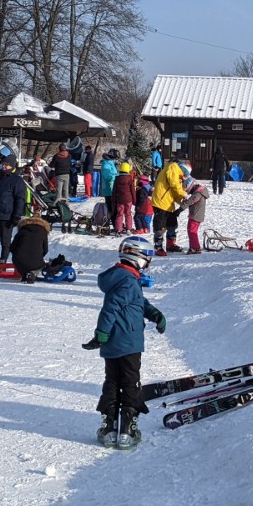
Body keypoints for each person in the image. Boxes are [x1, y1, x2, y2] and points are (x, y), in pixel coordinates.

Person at [83, 236, 166, 448]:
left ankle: (109, 428)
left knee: (112, 381)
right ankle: (127, 430)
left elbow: (137, 301)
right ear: (138, 256)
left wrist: (154, 313)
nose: (149, 262)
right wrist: (101, 333)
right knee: (130, 381)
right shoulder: (129, 280)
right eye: (148, 257)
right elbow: (110, 308)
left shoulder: (124, 277)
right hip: (128, 341)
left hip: (113, 342)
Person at [151, 154, 189, 254]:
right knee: (160, 225)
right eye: (186, 175)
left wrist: (182, 200)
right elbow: (174, 184)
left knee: (172, 223)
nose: (185, 178)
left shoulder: (176, 173)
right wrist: (183, 194)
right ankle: (158, 246)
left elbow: (174, 191)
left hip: (168, 202)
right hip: (161, 201)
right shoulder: (173, 167)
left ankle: (170, 244)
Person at [9, 216, 51, 284]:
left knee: (18, 260)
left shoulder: (22, 230)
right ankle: (33, 273)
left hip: (20, 260)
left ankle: (24, 275)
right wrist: (39, 255)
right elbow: (45, 249)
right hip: (36, 262)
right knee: (40, 265)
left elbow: (12, 247)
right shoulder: (43, 232)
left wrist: (16, 253)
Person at [181, 180, 210, 252]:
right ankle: (194, 246)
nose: (189, 193)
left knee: (191, 231)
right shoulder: (200, 192)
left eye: (188, 191)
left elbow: (191, 201)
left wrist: (180, 209)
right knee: (192, 231)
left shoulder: (198, 194)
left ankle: (195, 247)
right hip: (196, 215)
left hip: (195, 216)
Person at [111, 162, 137, 235]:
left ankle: (118, 229)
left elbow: (114, 191)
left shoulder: (117, 179)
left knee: (119, 214)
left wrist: (113, 200)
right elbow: (133, 191)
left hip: (120, 200)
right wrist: (134, 201)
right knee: (128, 214)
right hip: (129, 199)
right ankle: (129, 228)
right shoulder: (130, 179)